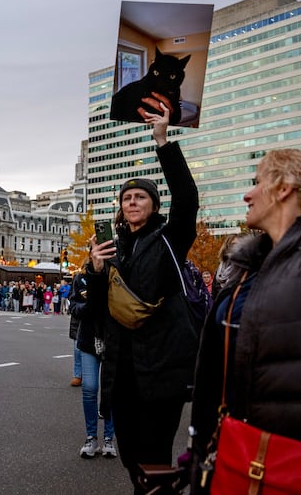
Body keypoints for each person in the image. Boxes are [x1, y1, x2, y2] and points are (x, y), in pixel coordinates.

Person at [190, 149, 301, 493]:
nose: (248, 194)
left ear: (284, 188)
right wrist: (200, 451)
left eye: (257, 183)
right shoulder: (252, 265)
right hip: (239, 458)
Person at [87, 103, 199, 493]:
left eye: (140, 196)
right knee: (130, 456)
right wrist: (96, 272)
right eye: (126, 198)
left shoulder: (169, 239)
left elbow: (186, 198)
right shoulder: (113, 249)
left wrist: (163, 142)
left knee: (155, 459)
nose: (131, 202)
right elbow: (98, 309)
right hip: (123, 371)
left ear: (154, 206)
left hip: (161, 367)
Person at [73, 262, 116, 460]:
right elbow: (74, 305)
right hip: (90, 338)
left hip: (112, 338)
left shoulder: (117, 273)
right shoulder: (82, 276)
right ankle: (91, 437)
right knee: (90, 388)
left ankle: (109, 438)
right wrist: (88, 306)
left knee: (111, 390)